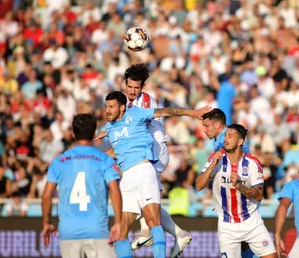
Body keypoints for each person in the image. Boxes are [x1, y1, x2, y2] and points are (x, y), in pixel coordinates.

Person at [95, 91, 211, 258]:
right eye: (106, 107)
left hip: (144, 172)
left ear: (122, 107)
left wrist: (193, 113)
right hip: (126, 178)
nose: (107, 110)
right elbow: (119, 149)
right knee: (121, 229)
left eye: (111, 107)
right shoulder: (109, 127)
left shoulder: (136, 113)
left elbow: (167, 111)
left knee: (152, 221)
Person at [123, 64, 192, 257]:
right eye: (130, 87)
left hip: (153, 151)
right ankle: (179, 233)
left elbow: (139, 127)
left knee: (144, 196)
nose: (132, 91)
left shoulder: (144, 100)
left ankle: (146, 232)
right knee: (149, 199)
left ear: (142, 87)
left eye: (136, 87)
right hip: (146, 153)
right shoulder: (128, 103)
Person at [41, 113, 122, 258]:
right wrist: (118, 222)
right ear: (94, 133)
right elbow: (115, 191)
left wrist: (47, 223)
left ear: (73, 133)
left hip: (68, 232)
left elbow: (46, 195)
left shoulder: (59, 161)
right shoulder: (104, 159)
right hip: (97, 229)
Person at [196, 124, 277, 258]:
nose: (225, 139)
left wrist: (239, 185)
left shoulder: (252, 163)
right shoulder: (216, 159)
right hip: (227, 227)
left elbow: (258, 195)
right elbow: (199, 185)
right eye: (225, 135)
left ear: (240, 141)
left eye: (230, 136)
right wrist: (211, 166)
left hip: (252, 223)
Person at [202, 108, 255, 258]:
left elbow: (243, 161)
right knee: (244, 241)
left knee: (240, 239)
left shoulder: (225, 142)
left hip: (237, 193)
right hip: (235, 190)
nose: (204, 130)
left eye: (207, 126)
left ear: (218, 124)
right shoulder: (226, 139)